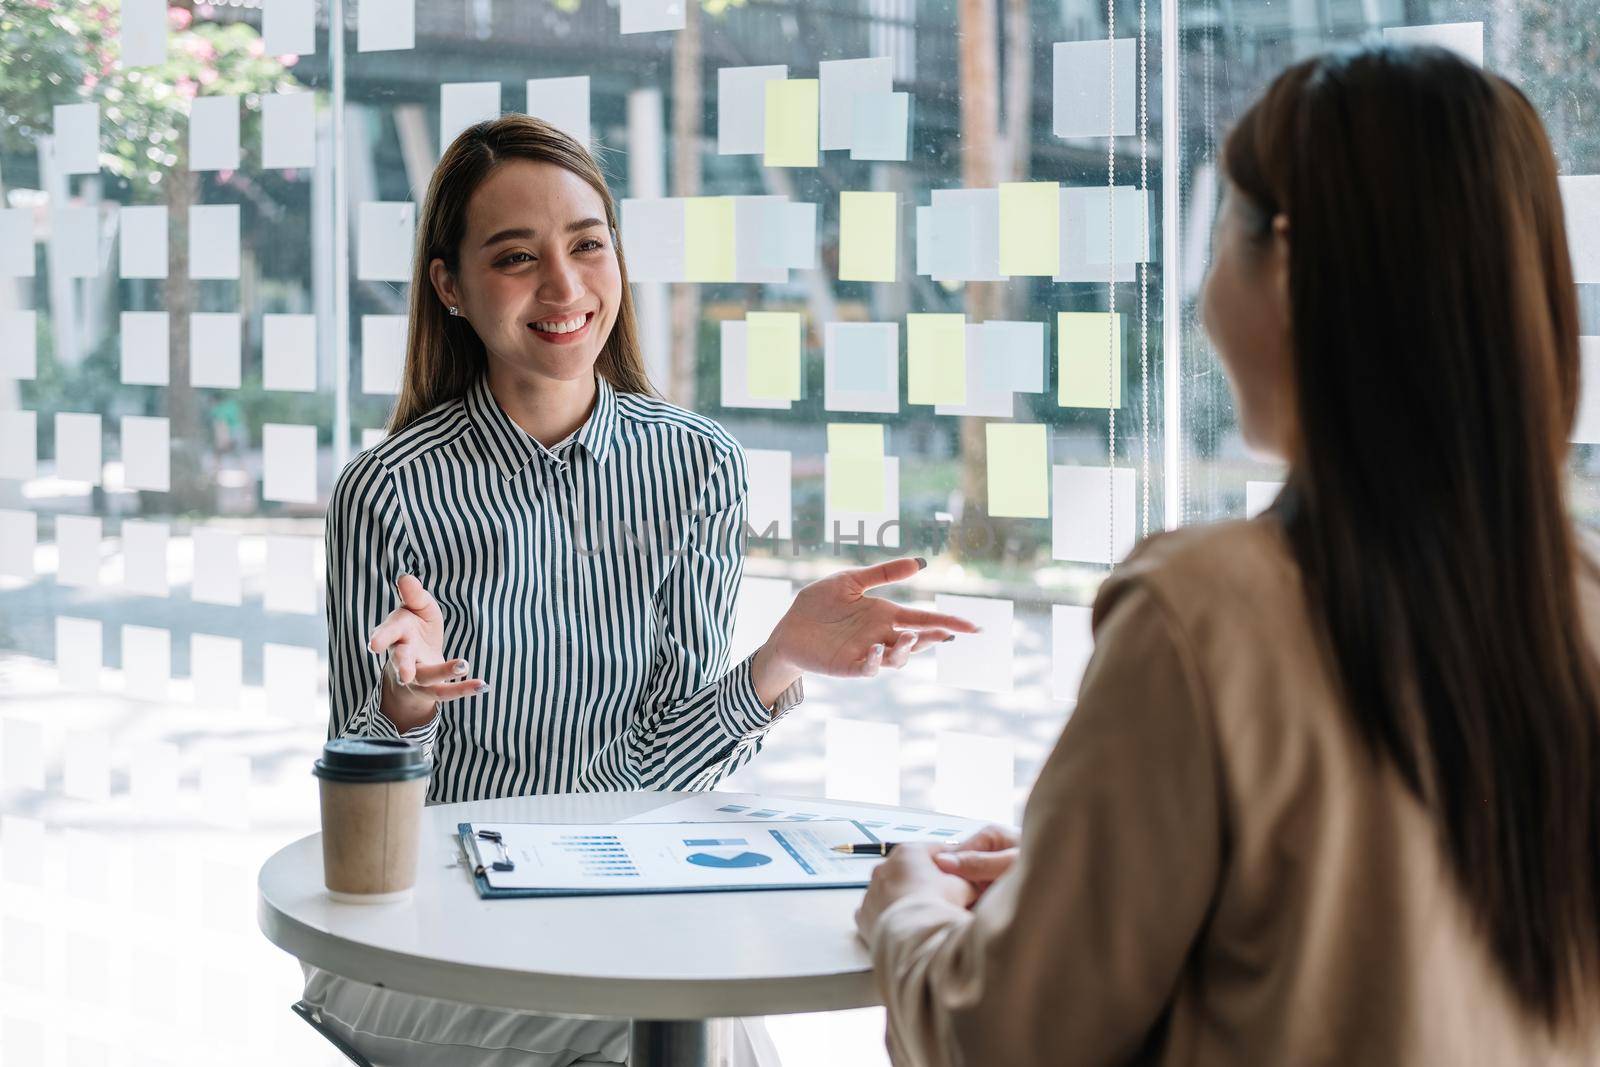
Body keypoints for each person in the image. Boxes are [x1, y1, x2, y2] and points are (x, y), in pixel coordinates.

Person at [855, 45, 1600, 1066]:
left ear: (1284, 270)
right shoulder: (1579, 601)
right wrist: (1092, 879)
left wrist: (907, 909)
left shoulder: (1199, 613)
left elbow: (1005, 1038)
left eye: (1219, 241)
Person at [302, 114, 977, 1066]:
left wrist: (777, 659)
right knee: (668, 1030)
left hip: (616, 907)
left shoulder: (697, 467)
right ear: (449, 285)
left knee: (679, 1017)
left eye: (587, 244)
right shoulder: (391, 489)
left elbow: (667, 774)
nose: (565, 286)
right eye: (514, 258)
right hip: (428, 935)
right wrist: (404, 708)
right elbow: (358, 790)